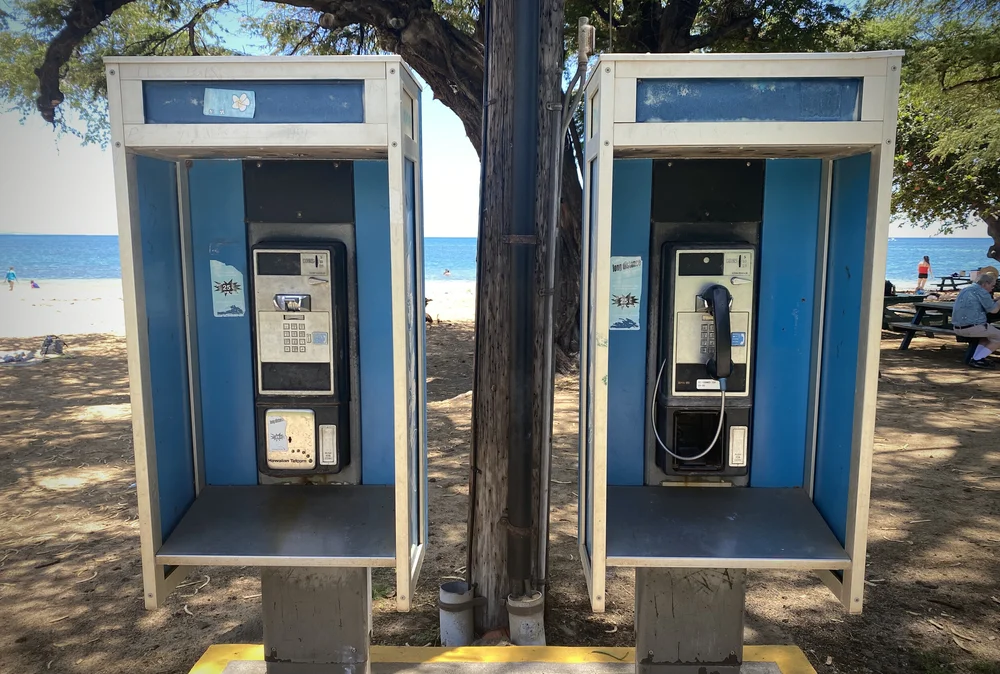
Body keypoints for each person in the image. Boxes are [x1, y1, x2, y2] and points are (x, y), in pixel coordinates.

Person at [952, 269, 1000, 369]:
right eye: (992, 285)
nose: (992, 288)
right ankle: (977, 359)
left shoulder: (966, 289)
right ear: (985, 284)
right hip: (973, 327)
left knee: (985, 338)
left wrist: (994, 301)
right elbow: (994, 310)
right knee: (998, 337)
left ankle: (977, 358)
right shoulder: (983, 292)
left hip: (957, 327)